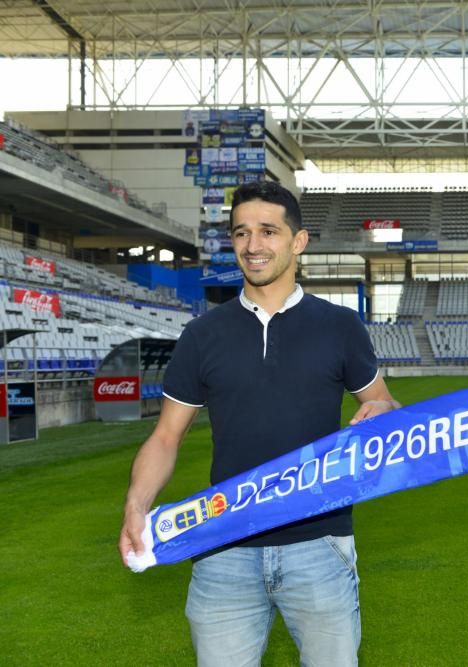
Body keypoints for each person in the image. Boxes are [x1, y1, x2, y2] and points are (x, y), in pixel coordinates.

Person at [118, 180, 399, 666]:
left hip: (320, 543)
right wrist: (136, 503)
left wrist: (383, 414)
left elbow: (385, 406)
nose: (253, 245)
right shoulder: (203, 334)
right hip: (223, 546)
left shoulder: (340, 326)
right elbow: (167, 435)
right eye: (242, 233)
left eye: (268, 231)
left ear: (299, 241)